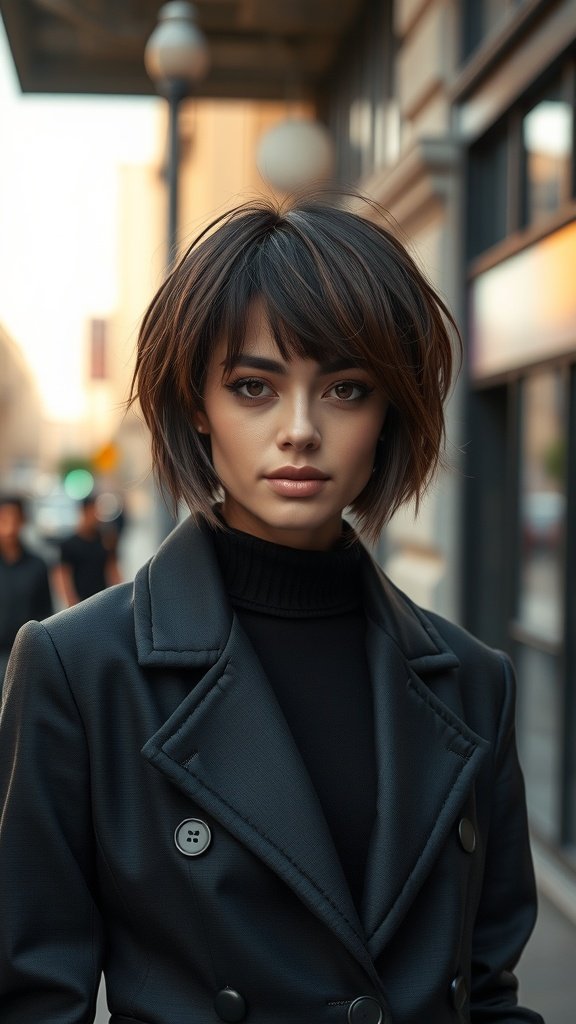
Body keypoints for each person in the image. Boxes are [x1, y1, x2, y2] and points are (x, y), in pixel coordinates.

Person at [0, 198, 544, 1024]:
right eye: (254, 387)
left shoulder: (475, 681)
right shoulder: (82, 669)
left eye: (345, 388)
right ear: (195, 406)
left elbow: (491, 989)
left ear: (389, 412)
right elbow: (34, 999)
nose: (299, 430)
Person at [0, 493, 53, 689]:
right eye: (3, 519)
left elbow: (45, 612)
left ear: (23, 521)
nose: (9, 527)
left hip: (24, 657)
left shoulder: (37, 564)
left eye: (15, 519)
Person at [54, 493, 121, 606]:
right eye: (91, 511)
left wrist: (118, 594)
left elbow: (112, 569)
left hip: (102, 598)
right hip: (80, 602)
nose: (95, 516)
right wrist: (71, 602)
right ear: (83, 512)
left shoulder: (105, 540)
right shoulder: (69, 544)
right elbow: (63, 576)